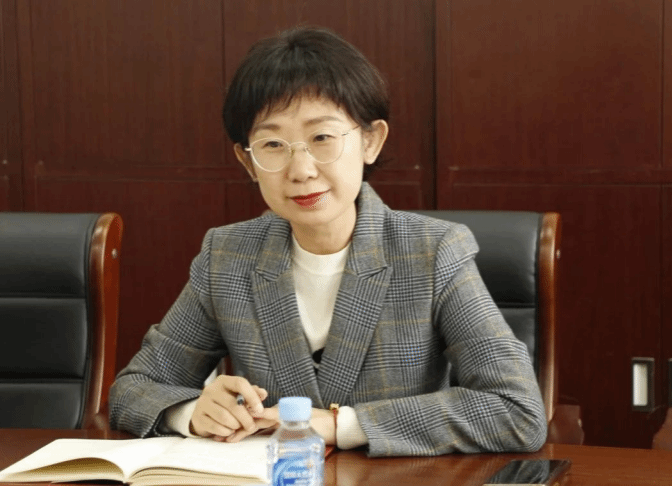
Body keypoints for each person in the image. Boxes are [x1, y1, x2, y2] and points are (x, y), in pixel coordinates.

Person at [109, 25, 548, 457]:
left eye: (322, 138)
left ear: (370, 141)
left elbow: (516, 410)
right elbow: (134, 388)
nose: (301, 170)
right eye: (273, 144)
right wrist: (192, 412)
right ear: (248, 161)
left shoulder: (433, 252)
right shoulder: (227, 256)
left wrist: (341, 425)